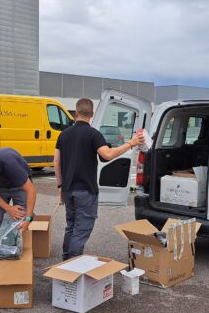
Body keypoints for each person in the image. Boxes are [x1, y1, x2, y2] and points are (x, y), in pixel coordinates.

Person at [54, 98, 144, 260]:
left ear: (75, 113)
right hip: (86, 192)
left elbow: (56, 162)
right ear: (92, 114)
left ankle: (65, 261)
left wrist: (60, 186)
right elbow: (107, 154)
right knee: (81, 231)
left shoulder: (64, 134)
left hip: (68, 189)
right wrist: (130, 144)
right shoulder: (93, 134)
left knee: (71, 227)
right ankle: (71, 264)